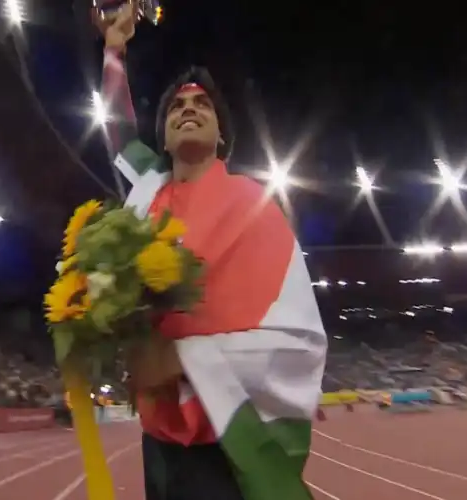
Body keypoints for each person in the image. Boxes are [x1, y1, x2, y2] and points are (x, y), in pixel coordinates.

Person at [97, 4, 328, 500]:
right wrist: (114, 49)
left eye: (202, 104)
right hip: (157, 444)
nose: (188, 108)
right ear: (161, 137)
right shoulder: (146, 193)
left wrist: (180, 358)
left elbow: (295, 339)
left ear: (221, 135)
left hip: (228, 452)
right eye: (178, 105)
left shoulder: (255, 206)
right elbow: (118, 132)